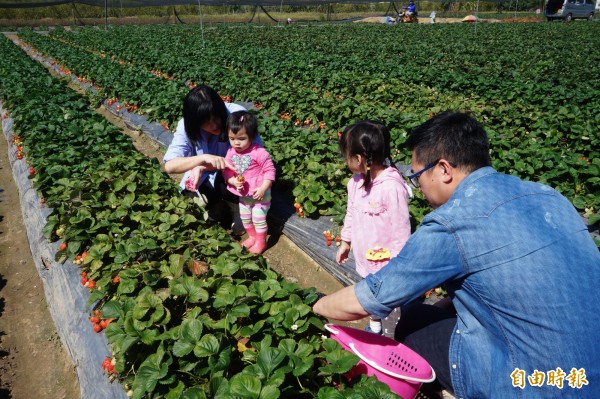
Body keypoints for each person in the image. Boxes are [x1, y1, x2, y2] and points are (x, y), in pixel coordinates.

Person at [313, 111, 600, 398]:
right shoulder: (548, 196)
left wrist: (316, 306)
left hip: (532, 384)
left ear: (444, 169)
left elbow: (373, 298)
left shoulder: (453, 222)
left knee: (410, 320)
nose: (419, 187)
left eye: (416, 176)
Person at [337, 121, 412, 337]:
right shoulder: (356, 183)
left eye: (347, 155)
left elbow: (401, 231)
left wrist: (399, 266)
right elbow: (350, 213)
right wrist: (345, 241)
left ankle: (391, 333)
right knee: (371, 295)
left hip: (387, 263)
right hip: (365, 256)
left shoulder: (391, 188)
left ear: (359, 159)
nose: (346, 160)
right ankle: (375, 327)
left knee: (387, 299)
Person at [163, 85, 261, 235]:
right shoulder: (186, 126)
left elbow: (255, 159)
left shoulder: (237, 117)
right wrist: (202, 160)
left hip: (237, 175)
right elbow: (170, 165)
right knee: (190, 206)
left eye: (216, 117)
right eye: (206, 121)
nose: (214, 124)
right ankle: (219, 205)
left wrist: (203, 166)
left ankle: (238, 211)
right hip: (204, 177)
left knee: (230, 181)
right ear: (195, 121)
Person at [222, 111, 275, 254]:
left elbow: (270, 171)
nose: (236, 142)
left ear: (251, 136)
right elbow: (226, 170)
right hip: (244, 193)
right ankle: (252, 237)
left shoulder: (259, 153)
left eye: (241, 138)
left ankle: (261, 241)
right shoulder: (231, 152)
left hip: (260, 194)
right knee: (245, 217)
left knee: (258, 218)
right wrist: (232, 180)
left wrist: (264, 188)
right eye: (232, 138)